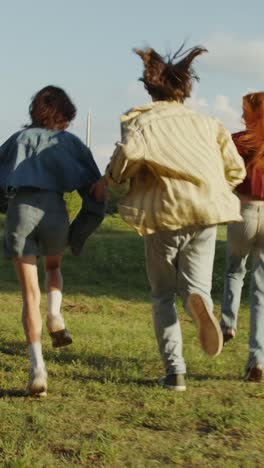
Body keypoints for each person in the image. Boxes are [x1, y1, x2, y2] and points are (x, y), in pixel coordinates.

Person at [93, 45, 246, 391]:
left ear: (151, 88)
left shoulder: (143, 120)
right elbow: (235, 169)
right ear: (186, 89)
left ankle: (174, 371)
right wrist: (213, 186)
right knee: (197, 287)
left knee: (162, 295)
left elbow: (128, 155)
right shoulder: (209, 123)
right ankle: (200, 306)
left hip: (164, 213)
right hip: (206, 211)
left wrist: (114, 179)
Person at [0, 85, 103, 396]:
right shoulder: (69, 142)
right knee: (54, 268)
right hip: (55, 211)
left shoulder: (16, 140)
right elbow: (94, 188)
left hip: (20, 210)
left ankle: (37, 370)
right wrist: (81, 231)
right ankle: (56, 314)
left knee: (30, 295)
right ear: (63, 116)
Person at [221, 92, 264, 383]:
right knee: (261, 287)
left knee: (235, 270)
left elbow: (223, 174)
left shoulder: (238, 141)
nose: (241, 114)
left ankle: (227, 324)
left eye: (244, 110)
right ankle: (257, 359)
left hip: (244, 210)